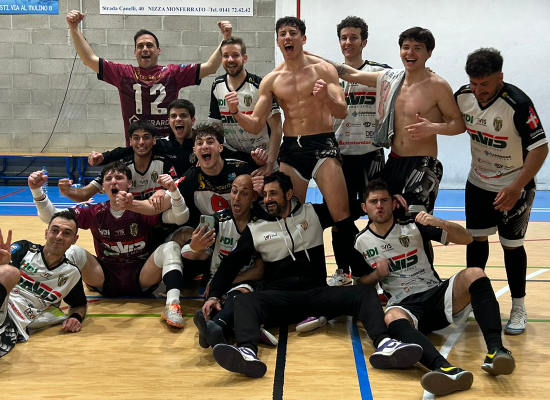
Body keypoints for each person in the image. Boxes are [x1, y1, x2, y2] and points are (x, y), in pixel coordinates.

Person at [203, 172, 423, 378]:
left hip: (317, 294)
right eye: (265, 194)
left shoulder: (313, 213)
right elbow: (230, 264)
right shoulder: (256, 228)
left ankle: (385, 344)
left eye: (273, 194)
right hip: (280, 298)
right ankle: (247, 352)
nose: (267, 199)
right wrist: (214, 294)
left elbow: (345, 209)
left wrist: (385, 201)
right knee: (244, 301)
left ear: (289, 194)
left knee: (365, 293)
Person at [225, 17, 360, 277]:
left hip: (322, 144)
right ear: (277, 41)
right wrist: (235, 112)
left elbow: (342, 111)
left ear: (303, 38)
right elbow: (255, 124)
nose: (288, 37)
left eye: (293, 33)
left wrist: (326, 97)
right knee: (291, 214)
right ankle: (305, 278)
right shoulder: (271, 80)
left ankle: (358, 274)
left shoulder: (324, 70)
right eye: (283, 34)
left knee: (341, 215)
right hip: (292, 148)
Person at [354, 180, 515, 396]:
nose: (379, 206)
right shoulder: (360, 242)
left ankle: (496, 350)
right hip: (405, 306)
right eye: (374, 202)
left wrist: (439, 222)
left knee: (475, 273)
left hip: (437, 295)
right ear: (365, 207)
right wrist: (376, 275)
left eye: (384, 200)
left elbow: (467, 238)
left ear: (393, 203)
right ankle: (444, 369)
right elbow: (359, 285)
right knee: (390, 317)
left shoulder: (414, 226)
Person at [318, 26, 465, 215]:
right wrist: (309, 56)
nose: (410, 53)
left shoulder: (438, 85)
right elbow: (351, 74)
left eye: (417, 48)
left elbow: (459, 124)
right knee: (386, 217)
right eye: (406, 47)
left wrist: (433, 128)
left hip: (422, 163)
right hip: (394, 161)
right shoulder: (391, 79)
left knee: (416, 221)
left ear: (429, 53)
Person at [28, 162, 189, 329]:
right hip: (104, 277)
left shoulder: (143, 208)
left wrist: (174, 192)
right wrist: (37, 191)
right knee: (73, 251)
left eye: (119, 177)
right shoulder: (94, 211)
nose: (113, 181)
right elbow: (53, 219)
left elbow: (181, 218)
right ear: (102, 188)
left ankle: (172, 306)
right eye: (108, 179)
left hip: (142, 277)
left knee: (171, 247)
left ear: (129, 184)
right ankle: (49, 305)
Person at [455, 48, 548, 335]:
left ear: (500, 78)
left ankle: (518, 306)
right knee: (476, 241)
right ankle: (473, 298)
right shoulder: (463, 96)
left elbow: (540, 149)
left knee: (512, 246)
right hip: (478, 182)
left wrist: (516, 186)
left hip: (514, 185)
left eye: (485, 83)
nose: (478, 90)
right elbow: (452, 120)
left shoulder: (518, 104)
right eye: (474, 83)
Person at [66, 10, 232, 145]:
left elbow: (210, 67)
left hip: (168, 147)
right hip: (137, 147)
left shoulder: (173, 73)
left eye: (150, 45)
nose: (145, 49)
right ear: (135, 52)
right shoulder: (123, 73)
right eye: (140, 46)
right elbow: (89, 59)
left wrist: (226, 39)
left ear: (158, 51)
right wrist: (74, 28)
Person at [328, 16, 390, 287]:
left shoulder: (380, 72)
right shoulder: (328, 75)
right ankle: (343, 270)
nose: (348, 42)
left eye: (354, 37)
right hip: (338, 157)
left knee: (377, 213)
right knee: (338, 217)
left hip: (370, 155)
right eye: (344, 38)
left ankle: (375, 272)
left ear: (364, 41)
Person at [190, 175, 276, 348]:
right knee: (220, 303)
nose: (236, 198)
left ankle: (213, 326)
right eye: (234, 191)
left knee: (237, 296)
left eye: (244, 193)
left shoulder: (261, 223)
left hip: (244, 281)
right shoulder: (218, 220)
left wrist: (226, 283)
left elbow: (258, 271)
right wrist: (194, 246)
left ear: (253, 197)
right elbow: (189, 250)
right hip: (216, 282)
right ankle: (214, 328)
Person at [0, 212, 88, 358]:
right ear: (46, 233)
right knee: (8, 271)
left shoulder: (71, 273)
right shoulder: (24, 249)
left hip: (12, 324)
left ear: (74, 239)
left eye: (66, 233)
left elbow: (79, 305)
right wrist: (2, 264)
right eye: (55, 230)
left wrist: (75, 318)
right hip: (4, 302)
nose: (59, 237)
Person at [209, 36, 283, 176]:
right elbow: (216, 127)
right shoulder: (217, 85)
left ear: (245, 58)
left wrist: (270, 164)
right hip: (234, 157)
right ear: (221, 59)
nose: (230, 59)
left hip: (263, 157)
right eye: (226, 56)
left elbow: (277, 127)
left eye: (235, 55)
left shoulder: (260, 85)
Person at [60, 120, 176, 202]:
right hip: (129, 219)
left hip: (157, 218)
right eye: (136, 138)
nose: (141, 142)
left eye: (146, 137)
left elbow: (177, 193)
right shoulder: (120, 167)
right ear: (130, 141)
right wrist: (67, 191)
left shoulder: (164, 163)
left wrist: (164, 192)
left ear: (154, 140)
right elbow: (85, 194)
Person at [88, 99, 197, 178]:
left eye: (183, 115)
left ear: (192, 120)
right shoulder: (162, 144)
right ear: (168, 121)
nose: (178, 119)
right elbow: (127, 151)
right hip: (171, 195)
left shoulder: (201, 144)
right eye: (173, 116)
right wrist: (104, 157)